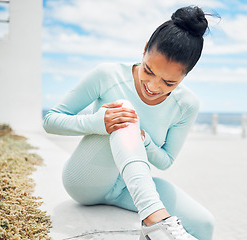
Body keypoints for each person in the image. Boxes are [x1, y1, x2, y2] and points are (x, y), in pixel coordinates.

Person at [43, 5, 215, 240]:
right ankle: (153, 218)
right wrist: (97, 123)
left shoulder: (187, 105)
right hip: (85, 180)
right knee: (124, 110)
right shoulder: (108, 75)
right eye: (148, 70)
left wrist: (142, 139)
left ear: (186, 76)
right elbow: (51, 120)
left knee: (205, 223)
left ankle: (154, 216)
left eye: (168, 83)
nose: (154, 87)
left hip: (126, 187)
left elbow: (165, 161)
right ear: (144, 50)